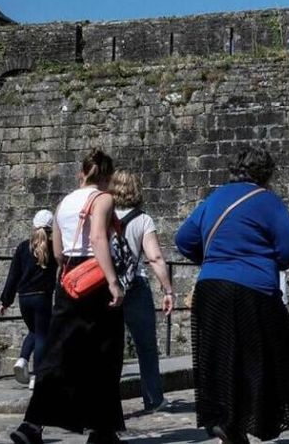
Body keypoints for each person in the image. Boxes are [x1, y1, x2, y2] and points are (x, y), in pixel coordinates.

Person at [175, 145, 289, 443]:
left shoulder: (214, 198)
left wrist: (214, 262)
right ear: (266, 173)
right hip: (253, 291)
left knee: (220, 359)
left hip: (211, 289)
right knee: (262, 360)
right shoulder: (268, 201)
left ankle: (225, 422)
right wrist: (263, 262)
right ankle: (240, 422)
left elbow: (183, 239)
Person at [11, 150, 128, 444]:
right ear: (106, 175)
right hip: (96, 279)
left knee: (59, 351)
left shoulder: (63, 203)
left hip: (70, 280)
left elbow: (59, 252)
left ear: (82, 173)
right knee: (104, 353)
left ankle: (32, 424)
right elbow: (98, 238)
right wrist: (113, 281)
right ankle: (101, 429)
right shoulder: (103, 199)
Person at [110, 170, 177, 413]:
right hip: (135, 284)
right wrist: (167, 290)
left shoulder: (102, 215)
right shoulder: (143, 220)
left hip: (108, 285)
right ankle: (153, 399)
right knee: (146, 346)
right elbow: (155, 257)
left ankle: (107, 404)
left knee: (109, 347)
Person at [0, 210, 57, 390]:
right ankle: (36, 375)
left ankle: (22, 359)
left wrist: (5, 302)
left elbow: (13, 276)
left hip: (24, 298)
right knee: (42, 335)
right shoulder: (53, 248)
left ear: (33, 225)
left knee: (34, 330)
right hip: (42, 297)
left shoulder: (23, 247)